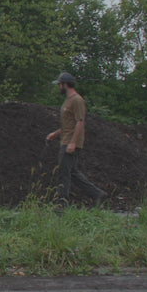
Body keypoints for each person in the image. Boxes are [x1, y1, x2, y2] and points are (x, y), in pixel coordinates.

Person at [45, 72, 107, 205]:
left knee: (63, 173)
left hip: (70, 143)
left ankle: (61, 203)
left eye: (59, 85)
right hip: (65, 139)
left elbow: (80, 121)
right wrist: (55, 134)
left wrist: (73, 142)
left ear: (65, 84)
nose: (58, 87)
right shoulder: (68, 100)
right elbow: (68, 124)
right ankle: (98, 194)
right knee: (71, 172)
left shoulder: (77, 100)